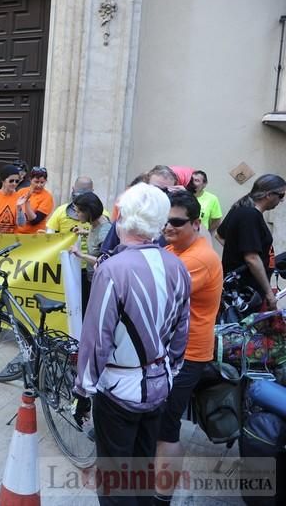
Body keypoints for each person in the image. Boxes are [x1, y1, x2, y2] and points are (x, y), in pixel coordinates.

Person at [73, 183, 190, 506]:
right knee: (142, 468)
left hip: (119, 387)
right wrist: (170, 371)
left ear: (121, 216)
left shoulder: (112, 270)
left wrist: (83, 390)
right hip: (159, 383)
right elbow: (182, 331)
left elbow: (96, 339)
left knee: (114, 478)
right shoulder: (177, 266)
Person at [154, 191, 223, 506]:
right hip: (171, 350)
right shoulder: (177, 247)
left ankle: (161, 497)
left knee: (166, 427)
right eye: (165, 221)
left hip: (187, 354)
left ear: (196, 223)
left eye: (176, 222)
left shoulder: (198, 258)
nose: (168, 227)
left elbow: (156, 294)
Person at [216, 174, 286, 310]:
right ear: (269, 195)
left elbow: (220, 235)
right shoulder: (250, 216)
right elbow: (252, 258)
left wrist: (236, 253)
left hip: (240, 288)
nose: (282, 201)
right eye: (281, 196)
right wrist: (269, 293)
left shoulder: (239, 210)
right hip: (246, 291)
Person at [100, 165, 182, 255]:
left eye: (166, 191)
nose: (160, 195)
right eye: (155, 189)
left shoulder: (177, 224)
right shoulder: (126, 219)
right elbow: (105, 254)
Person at [68, 192, 111, 312]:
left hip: (98, 282)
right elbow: (96, 237)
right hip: (91, 277)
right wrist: (85, 232)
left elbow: (105, 261)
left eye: (78, 212)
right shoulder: (98, 221)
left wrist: (80, 255)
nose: (76, 215)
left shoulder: (104, 232)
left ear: (88, 212)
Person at [16, 166, 54, 234]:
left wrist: (27, 202)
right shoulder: (21, 192)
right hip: (17, 234)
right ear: (30, 180)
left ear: (46, 181)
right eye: (36, 182)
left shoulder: (47, 197)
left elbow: (35, 221)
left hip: (35, 236)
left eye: (42, 182)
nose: (39, 185)